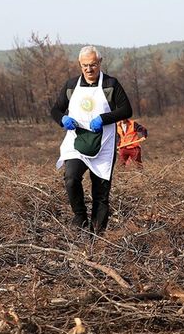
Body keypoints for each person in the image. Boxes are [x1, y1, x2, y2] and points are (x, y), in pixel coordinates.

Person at [51, 46, 132, 234]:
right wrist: (62, 119)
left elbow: (126, 110)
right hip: (76, 141)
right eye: (85, 65)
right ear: (80, 64)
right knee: (71, 178)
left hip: (104, 142)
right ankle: (79, 216)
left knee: (100, 193)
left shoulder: (111, 84)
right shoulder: (71, 86)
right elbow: (55, 109)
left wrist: (103, 119)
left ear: (100, 63)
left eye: (93, 65)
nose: (89, 69)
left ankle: (97, 236)